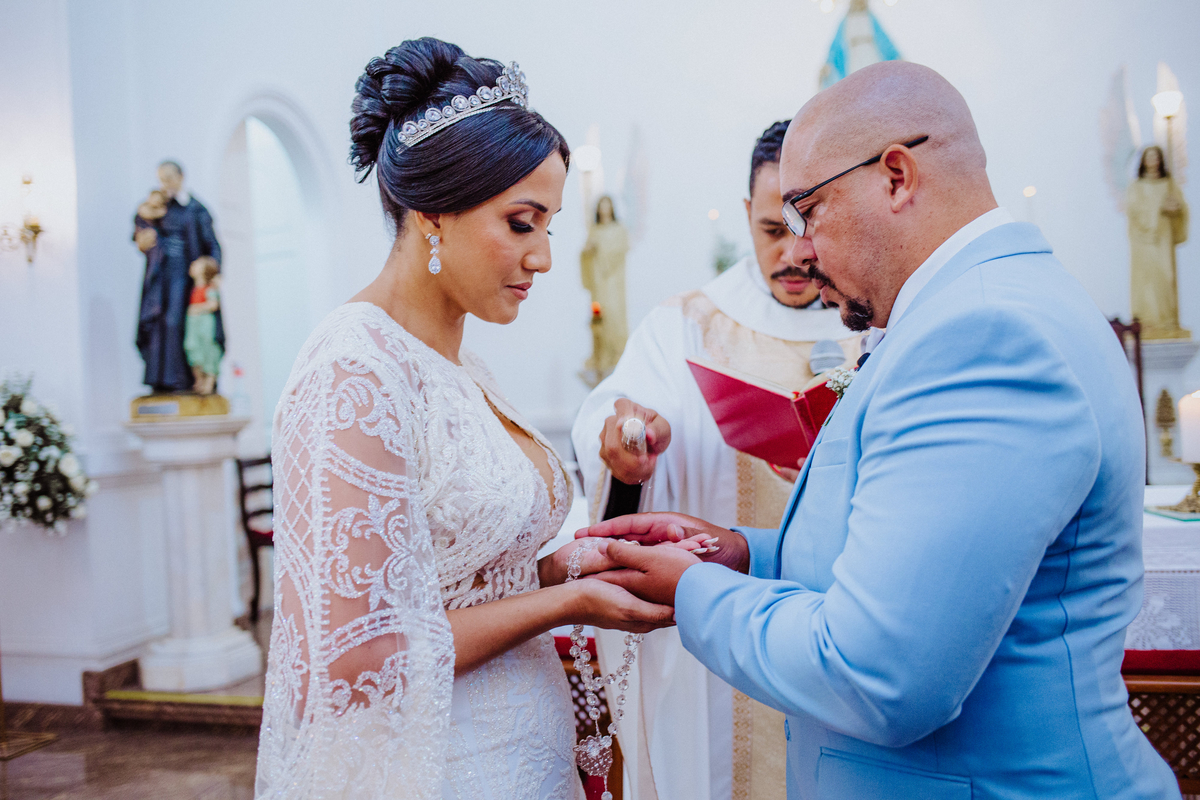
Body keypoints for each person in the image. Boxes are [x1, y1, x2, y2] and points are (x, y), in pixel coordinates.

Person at [580, 61, 1180, 799]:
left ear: (895, 177)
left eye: (808, 211)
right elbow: (906, 563)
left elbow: (880, 677)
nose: (797, 252)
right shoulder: (965, 311)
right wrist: (741, 555)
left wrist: (696, 591)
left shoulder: (983, 337)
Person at [254, 38, 674, 800]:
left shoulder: (458, 366)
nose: (545, 257)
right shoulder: (356, 369)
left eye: (548, 226)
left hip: (518, 759)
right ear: (433, 214)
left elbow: (466, 589)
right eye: (523, 223)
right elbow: (358, 658)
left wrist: (590, 559)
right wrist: (572, 601)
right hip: (439, 771)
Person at [571, 121, 858, 800]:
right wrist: (627, 449)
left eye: (804, 227)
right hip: (721, 649)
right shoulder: (689, 325)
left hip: (851, 624)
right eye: (768, 230)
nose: (791, 254)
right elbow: (615, 417)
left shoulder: (875, 318)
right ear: (744, 217)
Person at [133, 161, 223, 393]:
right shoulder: (158, 206)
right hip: (160, 274)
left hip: (186, 275)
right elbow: (140, 228)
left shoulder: (195, 209)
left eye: (170, 177)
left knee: (177, 322)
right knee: (158, 323)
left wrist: (212, 271)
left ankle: (182, 380)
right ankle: (161, 381)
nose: (166, 183)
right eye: (161, 178)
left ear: (181, 177)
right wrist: (143, 236)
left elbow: (213, 245)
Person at [1127, 144, 1190, 340]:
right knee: (1146, 282)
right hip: (1144, 244)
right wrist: (1157, 210)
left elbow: (1181, 210)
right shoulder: (1136, 188)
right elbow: (1134, 214)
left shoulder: (1169, 185)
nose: (1152, 161)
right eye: (1149, 156)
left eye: (1156, 157)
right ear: (1143, 161)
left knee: (1165, 278)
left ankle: (1167, 321)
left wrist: (1177, 210)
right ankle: (1147, 324)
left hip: (1163, 242)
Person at [184, 256, 223, 395]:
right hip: (193, 323)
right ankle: (199, 380)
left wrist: (198, 308)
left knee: (208, 349)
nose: (193, 265)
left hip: (204, 322)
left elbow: (213, 304)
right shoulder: (193, 288)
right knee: (192, 347)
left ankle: (209, 381)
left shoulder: (209, 288)